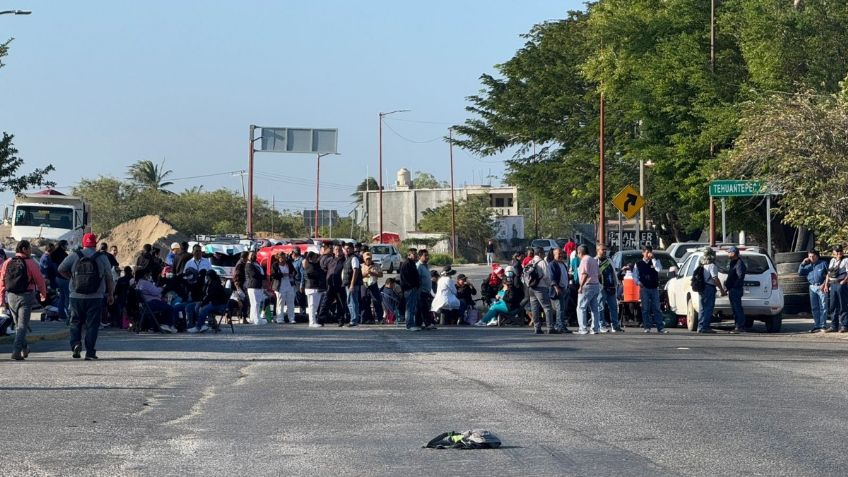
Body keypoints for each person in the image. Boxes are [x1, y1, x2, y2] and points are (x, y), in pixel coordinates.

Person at [58, 233, 115, 360]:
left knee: (75, 322)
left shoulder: (75, 255)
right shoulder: (102, 257)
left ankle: (76, 344)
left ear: (83, 243)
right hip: (96, 297)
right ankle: (90, 352)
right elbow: (109, 278)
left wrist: (71, 279)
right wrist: (110, 294)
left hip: (76, 296)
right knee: (92, 324)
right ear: (95, 244)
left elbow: (60, 269)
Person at [0, 240, 48, 360]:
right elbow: (40, 280)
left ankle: (24, 348)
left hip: (11, 297)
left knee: (18, 325)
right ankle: (16, 351)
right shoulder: (30, 263)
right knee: (21, 326)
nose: (30, 251)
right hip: (26, 296)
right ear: (24, 249)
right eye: (29, 249)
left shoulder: (7, 262)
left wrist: (2, 300)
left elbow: (2, 282)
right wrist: (43, 294)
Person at [632, 245, 667, 334]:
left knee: (657, 308)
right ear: (643, 253)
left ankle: (660, 327)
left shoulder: (655, 261)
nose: (648, 254)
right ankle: (647, 327)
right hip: (645, 288)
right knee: (645, 308)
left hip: (654, 288)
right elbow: (635, 275)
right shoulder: (638, 264)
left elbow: (659, 269)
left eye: (650, 252)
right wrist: (638, 282)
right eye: (647, 252)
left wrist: (653, 259)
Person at [526, 246, 556, 335]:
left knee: (534, 308)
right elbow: (546, 276)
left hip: (531, 288)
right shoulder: (542, 262)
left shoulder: (530, 262)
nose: (544, 254)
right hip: (541, 287)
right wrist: (550, 285)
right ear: (539, 253)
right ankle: (550, 327)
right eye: (543, 253)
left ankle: (537, 328)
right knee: (547, 307)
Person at [696, 249, 727, 333]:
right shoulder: (712, 265)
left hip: (701, 288)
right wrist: (721, 289)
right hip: (709, 287)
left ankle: (700, 327)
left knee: (702, 308)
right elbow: (715, 278)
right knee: (708, 308)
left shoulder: (701, 265)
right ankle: (705, 327)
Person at [799, 249, 829, 333]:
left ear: (817, 256)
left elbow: (828, 274)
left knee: (823, 306)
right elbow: (800, 272)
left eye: (813, 256)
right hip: (812, 287)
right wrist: (803, 263)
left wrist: (825, 284)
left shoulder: (823, 263)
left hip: (821, 286)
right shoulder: (808, 266)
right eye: (809, 256)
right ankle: (817, 325)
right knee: (814, 307)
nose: (811, 258)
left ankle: (823, 325)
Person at [574, 245, 603, 334]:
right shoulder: (593, 260)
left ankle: (582, 328)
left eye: (578, 253)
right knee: (594, 308)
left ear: (580, 252)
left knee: (581, 307)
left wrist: (581, 286)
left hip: (587, 286)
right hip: (596, 285)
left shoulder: (584, 260)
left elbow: (585, 274)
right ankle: (595, 328)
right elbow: (599, 273)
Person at [596, 244, 622, 333]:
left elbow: (613, 272)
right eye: (602, 249)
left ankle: (615, 326)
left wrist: (616, 284)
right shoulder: (595, 261)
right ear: (598, 250)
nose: (604, 251)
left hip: (611, 286)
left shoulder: (609, 260)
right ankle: (601, 325)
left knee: (614, 307)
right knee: (601, 307)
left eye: (605, 249)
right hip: (601, 287)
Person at [822, 245, 848, 333]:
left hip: (841, 284)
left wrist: (844, 281)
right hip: (832, 284)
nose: (838, 253)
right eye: (837, 251)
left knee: (842, 305)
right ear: (833, 252)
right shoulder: (832, 260)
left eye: (840, 251)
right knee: (833, 306)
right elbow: (828, 274)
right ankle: (834, 326)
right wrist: (826, 285)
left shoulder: (846, 260)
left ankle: (845, 325)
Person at [724, 246, 747, 333]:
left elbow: (740, 276)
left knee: (737, 308)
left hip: (736, 289)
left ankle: (740, 326)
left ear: (733, 253)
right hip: (732, 289)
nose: (728, 254)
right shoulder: (732, 263)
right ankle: (737, 326)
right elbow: (731, 276)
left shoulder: (739, 263)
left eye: (729, 252)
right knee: (734, 308)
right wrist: (727, 286)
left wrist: (734, 286)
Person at [550, 248, 572, 333]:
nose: (560, 255)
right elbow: (552, 278)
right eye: (558, 254)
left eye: (561, 253)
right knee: (560, 309)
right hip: (558, 289)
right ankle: (560, 326)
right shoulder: (552, 264)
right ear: (554, 255)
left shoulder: (562, 263)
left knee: (563, 309)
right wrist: (556, 288)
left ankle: (561, 325)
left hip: (565, 288)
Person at [399, 248, 421, 331]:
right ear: (409, 255)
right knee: (409, 307)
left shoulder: (412, 264)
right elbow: (405, 278)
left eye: (416, 254)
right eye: (414, 254)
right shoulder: (407, 264)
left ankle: (412, 323)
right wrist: (412, 286)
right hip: (409, 289)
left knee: (412, 307)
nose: (416, 256)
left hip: (413, 288)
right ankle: (409, 324)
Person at [302, 251, 326, 328]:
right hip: (311, 287)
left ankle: (313, 321)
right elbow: (305, 261)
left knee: (315, 306)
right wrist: (309, 255)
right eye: (315, 257)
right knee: (312, 305)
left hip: (316, 287)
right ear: (311, 258)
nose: (316, 258)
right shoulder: (308, 265)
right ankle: (312, 322)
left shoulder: (316, 265)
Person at [272, 252, 297, 324]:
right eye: (282, 258)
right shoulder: (275, 265)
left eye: (284, 257)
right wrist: (282, 275)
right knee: (280, 302)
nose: (283, 259)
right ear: (278, 258)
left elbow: (295, 272)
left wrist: (292, 274)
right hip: (280, 285)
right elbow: (273, 275)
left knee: (291, 302)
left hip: (289, 284)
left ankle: (291, 318)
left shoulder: (288, 264)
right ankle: (280, 318)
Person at [342, 243, 363, 327]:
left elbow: (355, 271)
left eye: (348, 248)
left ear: (352, 249)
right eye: (345, 248)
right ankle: (353, 319)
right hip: (347, 284)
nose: (346, 250)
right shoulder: (347, 258)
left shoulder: (354, 258)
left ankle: (353, 320)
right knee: (351, 302)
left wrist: (352, 284)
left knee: (352, 302)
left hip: (352, 285)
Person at [244, 251, 267, 325]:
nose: (254, 256)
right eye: (252, 255)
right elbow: (253, 274)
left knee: (257, 303)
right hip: (252, 286)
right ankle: (256, 319)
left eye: (254, 255)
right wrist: (262, 276)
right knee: (255, 303)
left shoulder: (256, 264)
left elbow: (262, 273)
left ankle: (253, 318)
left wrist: (263, 277)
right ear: (248, 256)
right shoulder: (248, 265)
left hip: (258, 285)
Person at [360, 252, 383, 324]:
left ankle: (380, 318)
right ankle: (366, 318)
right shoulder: (361, 266)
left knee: (377, 301)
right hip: (364, 285)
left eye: (369, 259)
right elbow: (358, 276)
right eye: (367, 259)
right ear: (364, 259)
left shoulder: (376, 265)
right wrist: (366, 273)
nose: (368, 260)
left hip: (373, 285)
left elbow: (381, 274)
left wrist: (373, 273)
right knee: (365, 302)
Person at [416, 249, 436, 330]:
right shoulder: (418, 266)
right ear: (419, 256)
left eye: (428, 255)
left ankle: (420, 323)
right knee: (423, 308)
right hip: (421, 291)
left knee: (422, 308)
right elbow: (417, 279)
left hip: (426, 291)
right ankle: (427, 323)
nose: (427, 257)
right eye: (425, 255)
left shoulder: (426, 266)